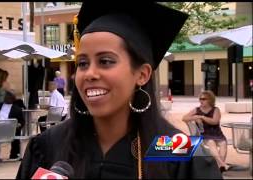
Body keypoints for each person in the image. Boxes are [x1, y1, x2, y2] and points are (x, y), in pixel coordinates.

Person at [17, 2, 222, 179]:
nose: (89, 73)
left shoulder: (173, 148)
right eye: (82, 63)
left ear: (142, 74)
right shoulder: (49, 145)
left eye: (105, 61)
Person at [182, 90, 229, 172]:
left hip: (217, 133)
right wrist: (196, 117)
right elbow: (184, 118)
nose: (201, 101)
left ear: (210, 100)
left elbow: (215, 121)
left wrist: (203, 117)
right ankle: (222, 164)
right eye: (200, 99)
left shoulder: (216, 110)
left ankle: (220, 166)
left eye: (204, 99)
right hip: (204, 134)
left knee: (223, 143)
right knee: (211, 142)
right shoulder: (197, 110)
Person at [0, 91, 25, 160]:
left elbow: (22, 121)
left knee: (17, 131)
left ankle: (14, 154)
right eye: (6, 96)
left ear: (13, 98)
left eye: (9, 96)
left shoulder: (17, 109)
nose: (7, 98)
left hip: (8, 130)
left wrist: (19, 124)